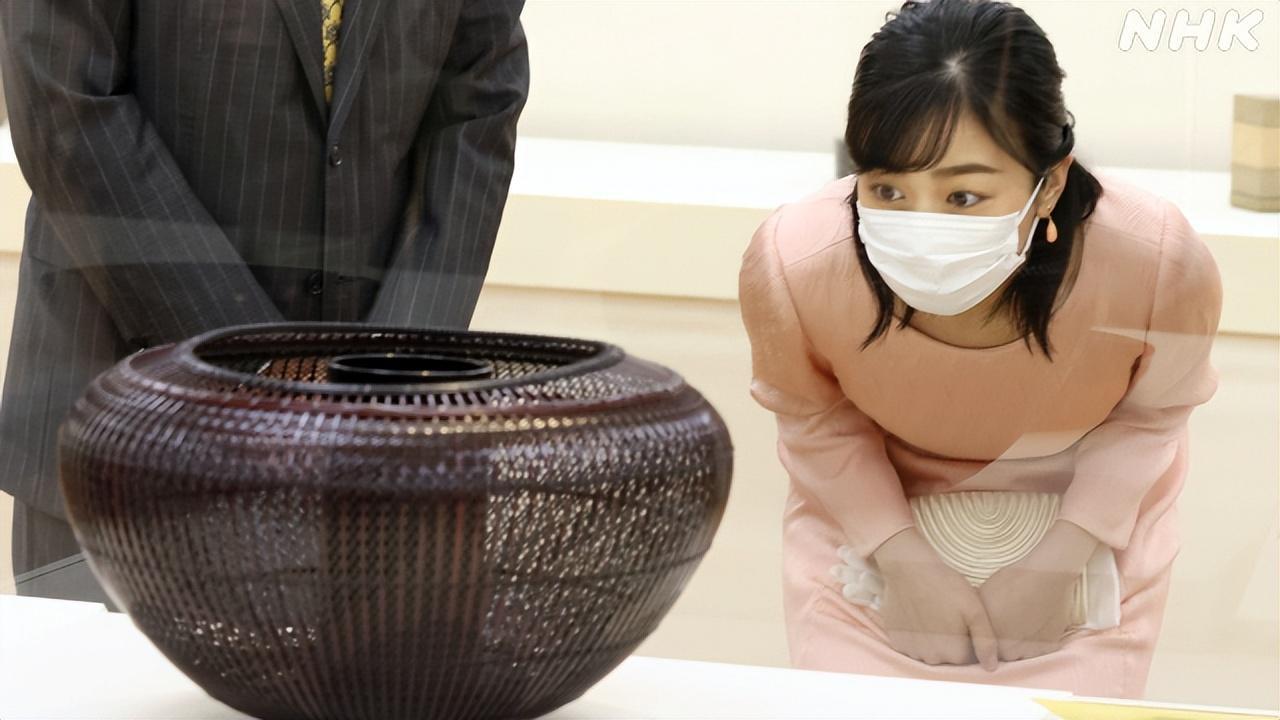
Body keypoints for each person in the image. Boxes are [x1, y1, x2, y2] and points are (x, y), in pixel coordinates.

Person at [737, 0, 1221, 699]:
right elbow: (814, 416)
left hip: (1090, 506)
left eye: (963, 196)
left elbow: (1152, 415)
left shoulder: (1157, 262)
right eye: (887, 188)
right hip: (869, 503)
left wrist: (1064, 555)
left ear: (1050, 183)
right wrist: (898, 553)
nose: (920, 224)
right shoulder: (794, 264)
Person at [0, 0, 530, 598]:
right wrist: (261, 366)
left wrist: (389, 371)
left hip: (366, 459)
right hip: (121, 420)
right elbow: (62, 103)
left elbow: (480, 101)